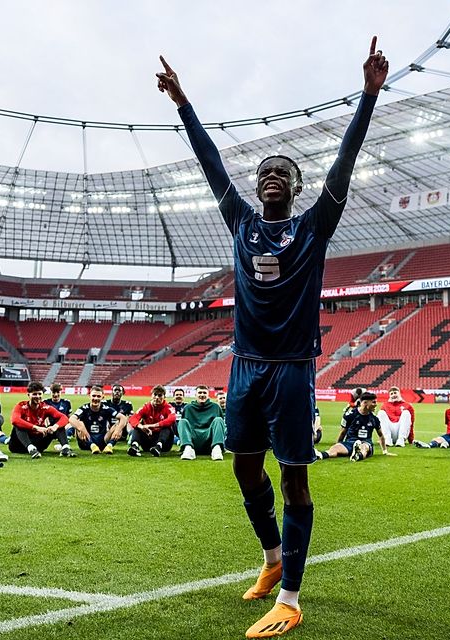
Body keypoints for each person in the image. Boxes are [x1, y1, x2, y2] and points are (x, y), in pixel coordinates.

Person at [157, 37, 387, 637]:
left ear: (297, 186)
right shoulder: (241, 222)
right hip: (243, 364)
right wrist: (184, 104)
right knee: (243, 470)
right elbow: (211, 164)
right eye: (266, 174)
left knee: (293, 479)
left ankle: (289, 595)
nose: (274, 178)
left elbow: (345, 163)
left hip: (290, 367)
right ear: (257, 188)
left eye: (284, 174)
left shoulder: (315, 226)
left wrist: (368, 97)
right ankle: (271, 558)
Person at [8, 381, 75, 459]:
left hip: (38, 445)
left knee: (56, 422)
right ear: (28, 395)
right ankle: (31, 448)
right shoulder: (21, 406)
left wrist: (54, 427)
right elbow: (14, 420)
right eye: (34, 394)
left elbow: (64, 417)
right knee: (19, 425)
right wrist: (36, 427)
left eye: (40, 394)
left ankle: (66, 448)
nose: (37, 396)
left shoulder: (45, 407)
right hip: (18, 446)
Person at [315, 391, 390, 461]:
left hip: (365, 442)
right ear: (365, 403)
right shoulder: (350, 415)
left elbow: (381, 435)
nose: (376, 404)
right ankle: (320, 455)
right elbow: (342, 432)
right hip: (350, 442)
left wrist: (385, 451)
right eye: (373, 402)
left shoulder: (374, 419)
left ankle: (358, 456)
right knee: (336, 448)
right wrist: (338, 444)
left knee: (364, 448)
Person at [70, 385, 128, 454]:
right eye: (94, 396)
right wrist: (80, 427)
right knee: (80, 423)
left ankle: (109, 446)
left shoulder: (106, 408)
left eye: (98, 396)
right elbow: (71, 419)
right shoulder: (84, 408)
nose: (96, 398)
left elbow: (123, 418)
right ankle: (92, 446)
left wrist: (118, 430)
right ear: (89, 396)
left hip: (103, 441)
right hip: (86, 441)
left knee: (118, 425)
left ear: (103, 397)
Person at [177, 385, 227, 460]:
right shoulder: (188, 408)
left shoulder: (215, 407)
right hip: (193, 440)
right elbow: (185, 428)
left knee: (219, 420)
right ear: (195, 395)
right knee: (182, 421)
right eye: (200, 393)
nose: (202, 395)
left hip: (209, 440)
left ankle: (216, 449)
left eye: (204, 393)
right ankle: (188, 449)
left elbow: (220, 426)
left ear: (208, 395)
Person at [127, 385, 177, 457]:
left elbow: (172, 419)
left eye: (160, 395)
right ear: (151, 396)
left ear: (164, 397)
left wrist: (152, 425)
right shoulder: (146, 407)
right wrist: (142, 427)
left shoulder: (168, 408)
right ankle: (135, 446)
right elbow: (133, 418)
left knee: (167, 427)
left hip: (165, 444)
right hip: (148, 441)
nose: (157, 397)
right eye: (155, 394)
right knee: (137, 426)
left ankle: (158, 447)